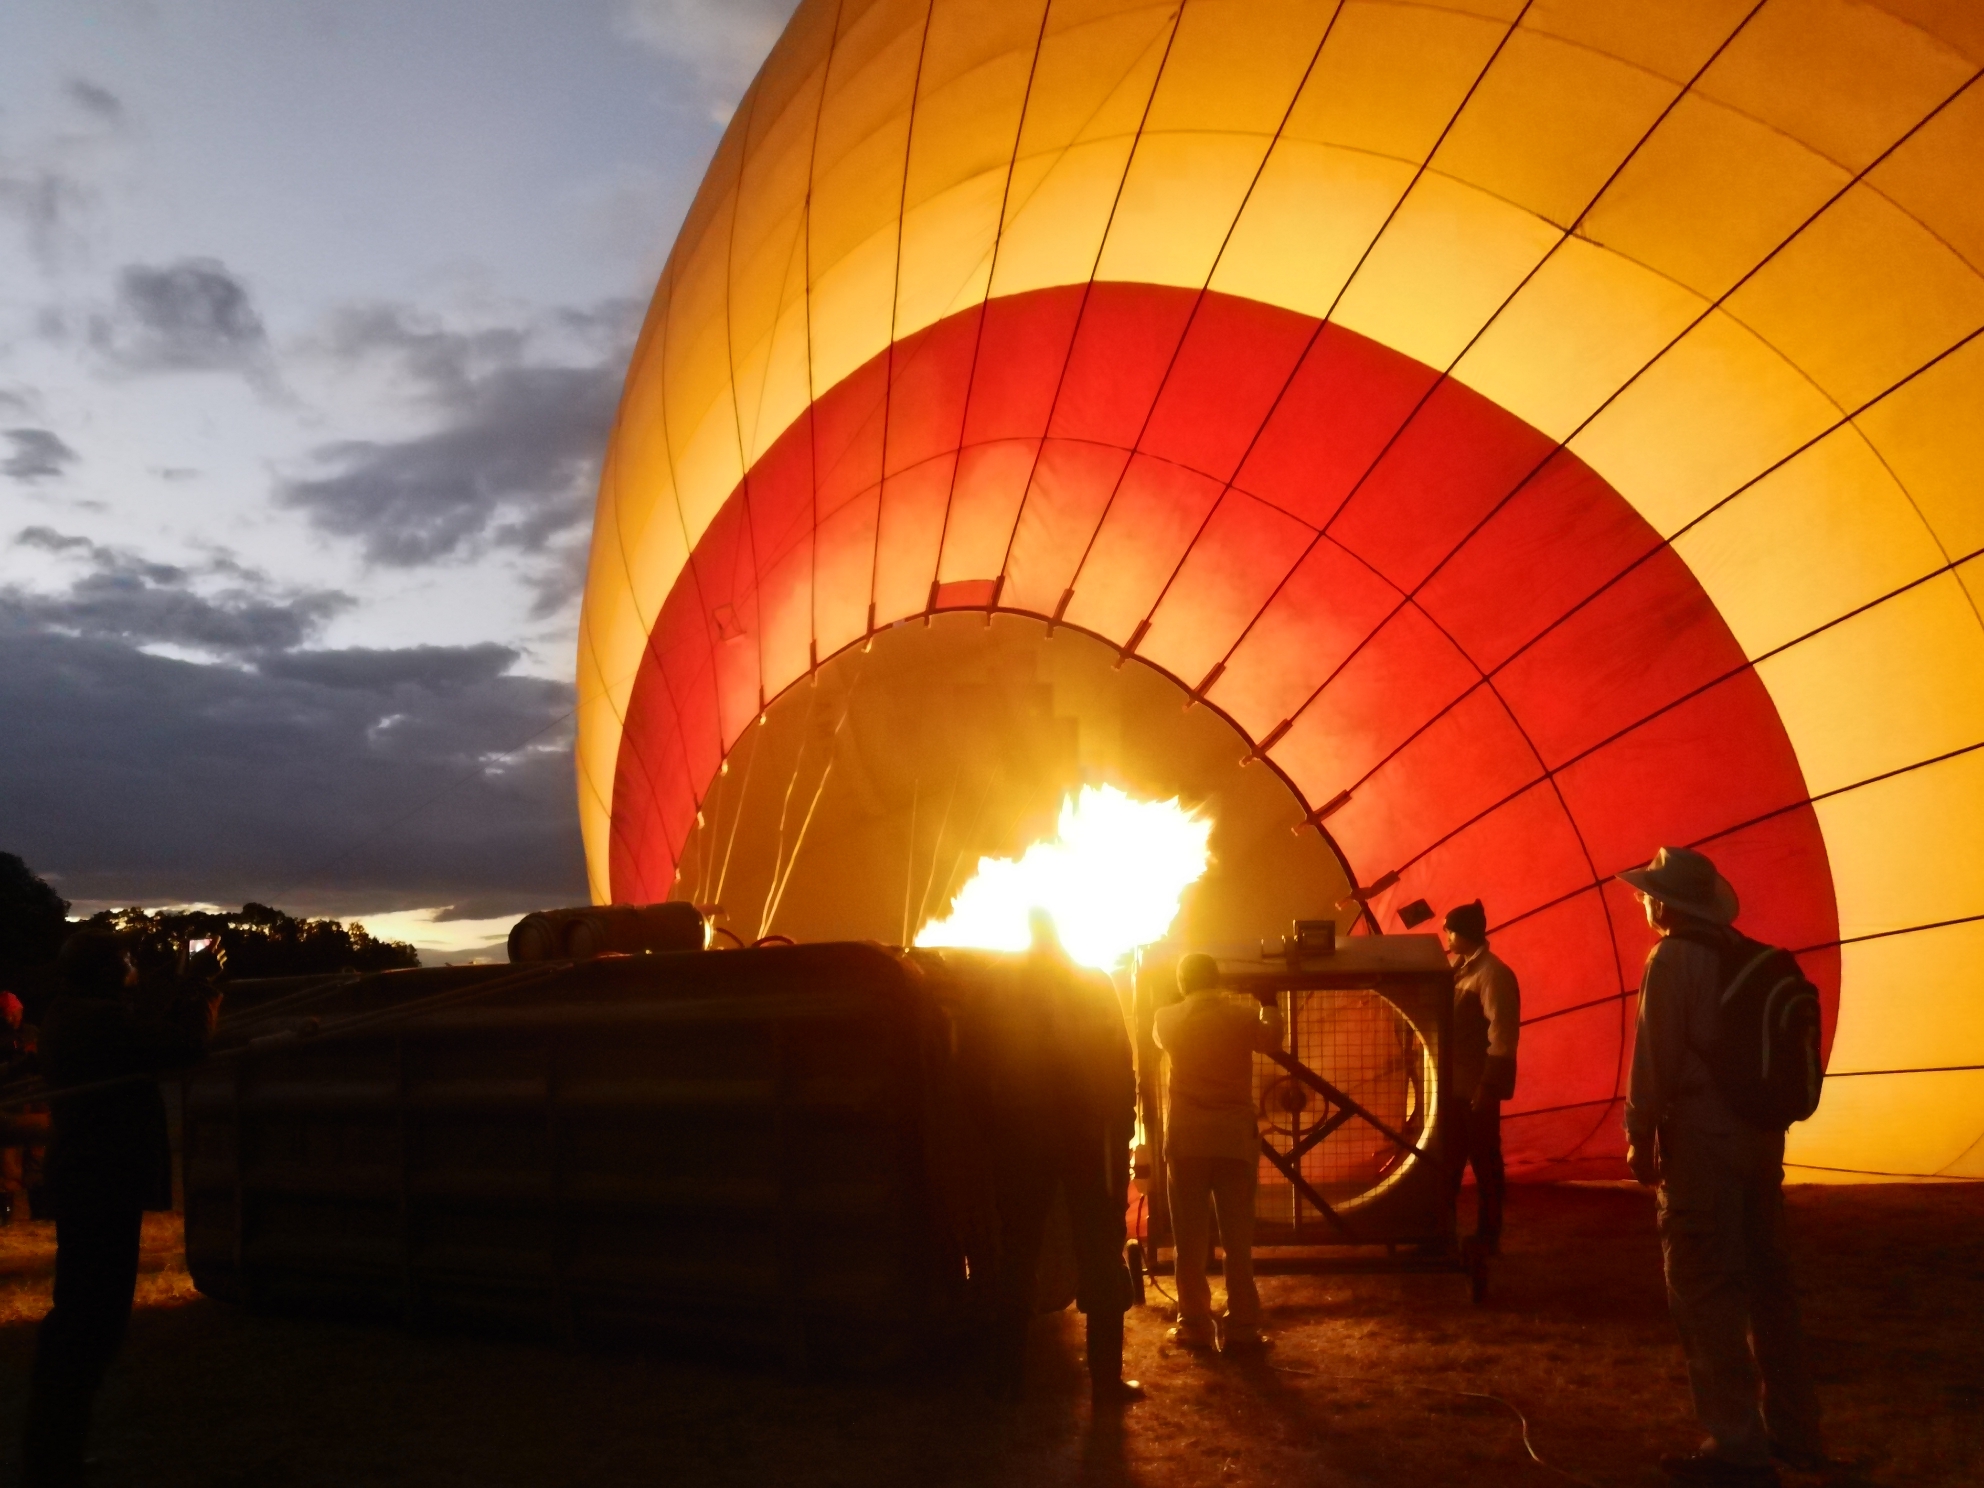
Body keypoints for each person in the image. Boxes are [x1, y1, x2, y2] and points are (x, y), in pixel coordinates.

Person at [1621, 846, 1825, 1486]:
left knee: (1706, 1286)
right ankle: (1798, 1433)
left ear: (1664, 903)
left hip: (1703, 1142)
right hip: (1763, 1140)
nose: (1644, 903)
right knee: (1770, 1285)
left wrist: (1638, 1135)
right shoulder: (1747, 956)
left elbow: (1655, 1059)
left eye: (1649, 895)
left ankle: (1736, 1444)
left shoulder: (1672, 958)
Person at [20, 931, 221, 1488]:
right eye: (128, 959)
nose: (135, 964)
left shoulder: (73, 1013)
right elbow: (183, 1045)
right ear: (107, 972)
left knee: (82, 1322)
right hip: (100, 1180)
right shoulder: (96, 1021)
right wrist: (202, 986)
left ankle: (54, 1452)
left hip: (91, 1178)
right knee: (89, 1325)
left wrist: (178, 986)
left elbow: (144, 1027)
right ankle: (51, 1460)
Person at [976, 910, 1143, 1406]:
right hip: (1088, 1140)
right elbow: (1120, 1061)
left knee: (1017, 1256)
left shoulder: (995, 987)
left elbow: (974, 1064)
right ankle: (1106, 1384)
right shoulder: (1092, 983)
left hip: (1022, 1141)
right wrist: (1122, 1124)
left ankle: (1006, 1379)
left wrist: (993, 1130)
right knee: (1099, 1252)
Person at [1152, 952, 1283, 1352]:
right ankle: (1242, 1326)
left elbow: (1160, 1040)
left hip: (1188, 1139)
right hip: (1233, 1139)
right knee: (1237, 1237)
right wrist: (1270, 1003)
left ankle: (1193, 1324)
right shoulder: (1243, 1015)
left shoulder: (1166, 1019)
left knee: (1189, 1239)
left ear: (1182, 982)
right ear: (1219, 978)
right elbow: (1272, 1042)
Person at [1442, 901, 1520, 1255]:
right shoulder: (1460, 969)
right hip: (1455, 1088)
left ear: (1464, 933)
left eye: (1450, 929)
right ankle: (1440, 1235)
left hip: (1474, 1090)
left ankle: (1489, 1235)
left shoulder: (1492, 975)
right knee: (1448, 1163)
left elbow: (1503, 1037)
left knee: (1485, 1165)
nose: (1446, 935)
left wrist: (1488, 1088)